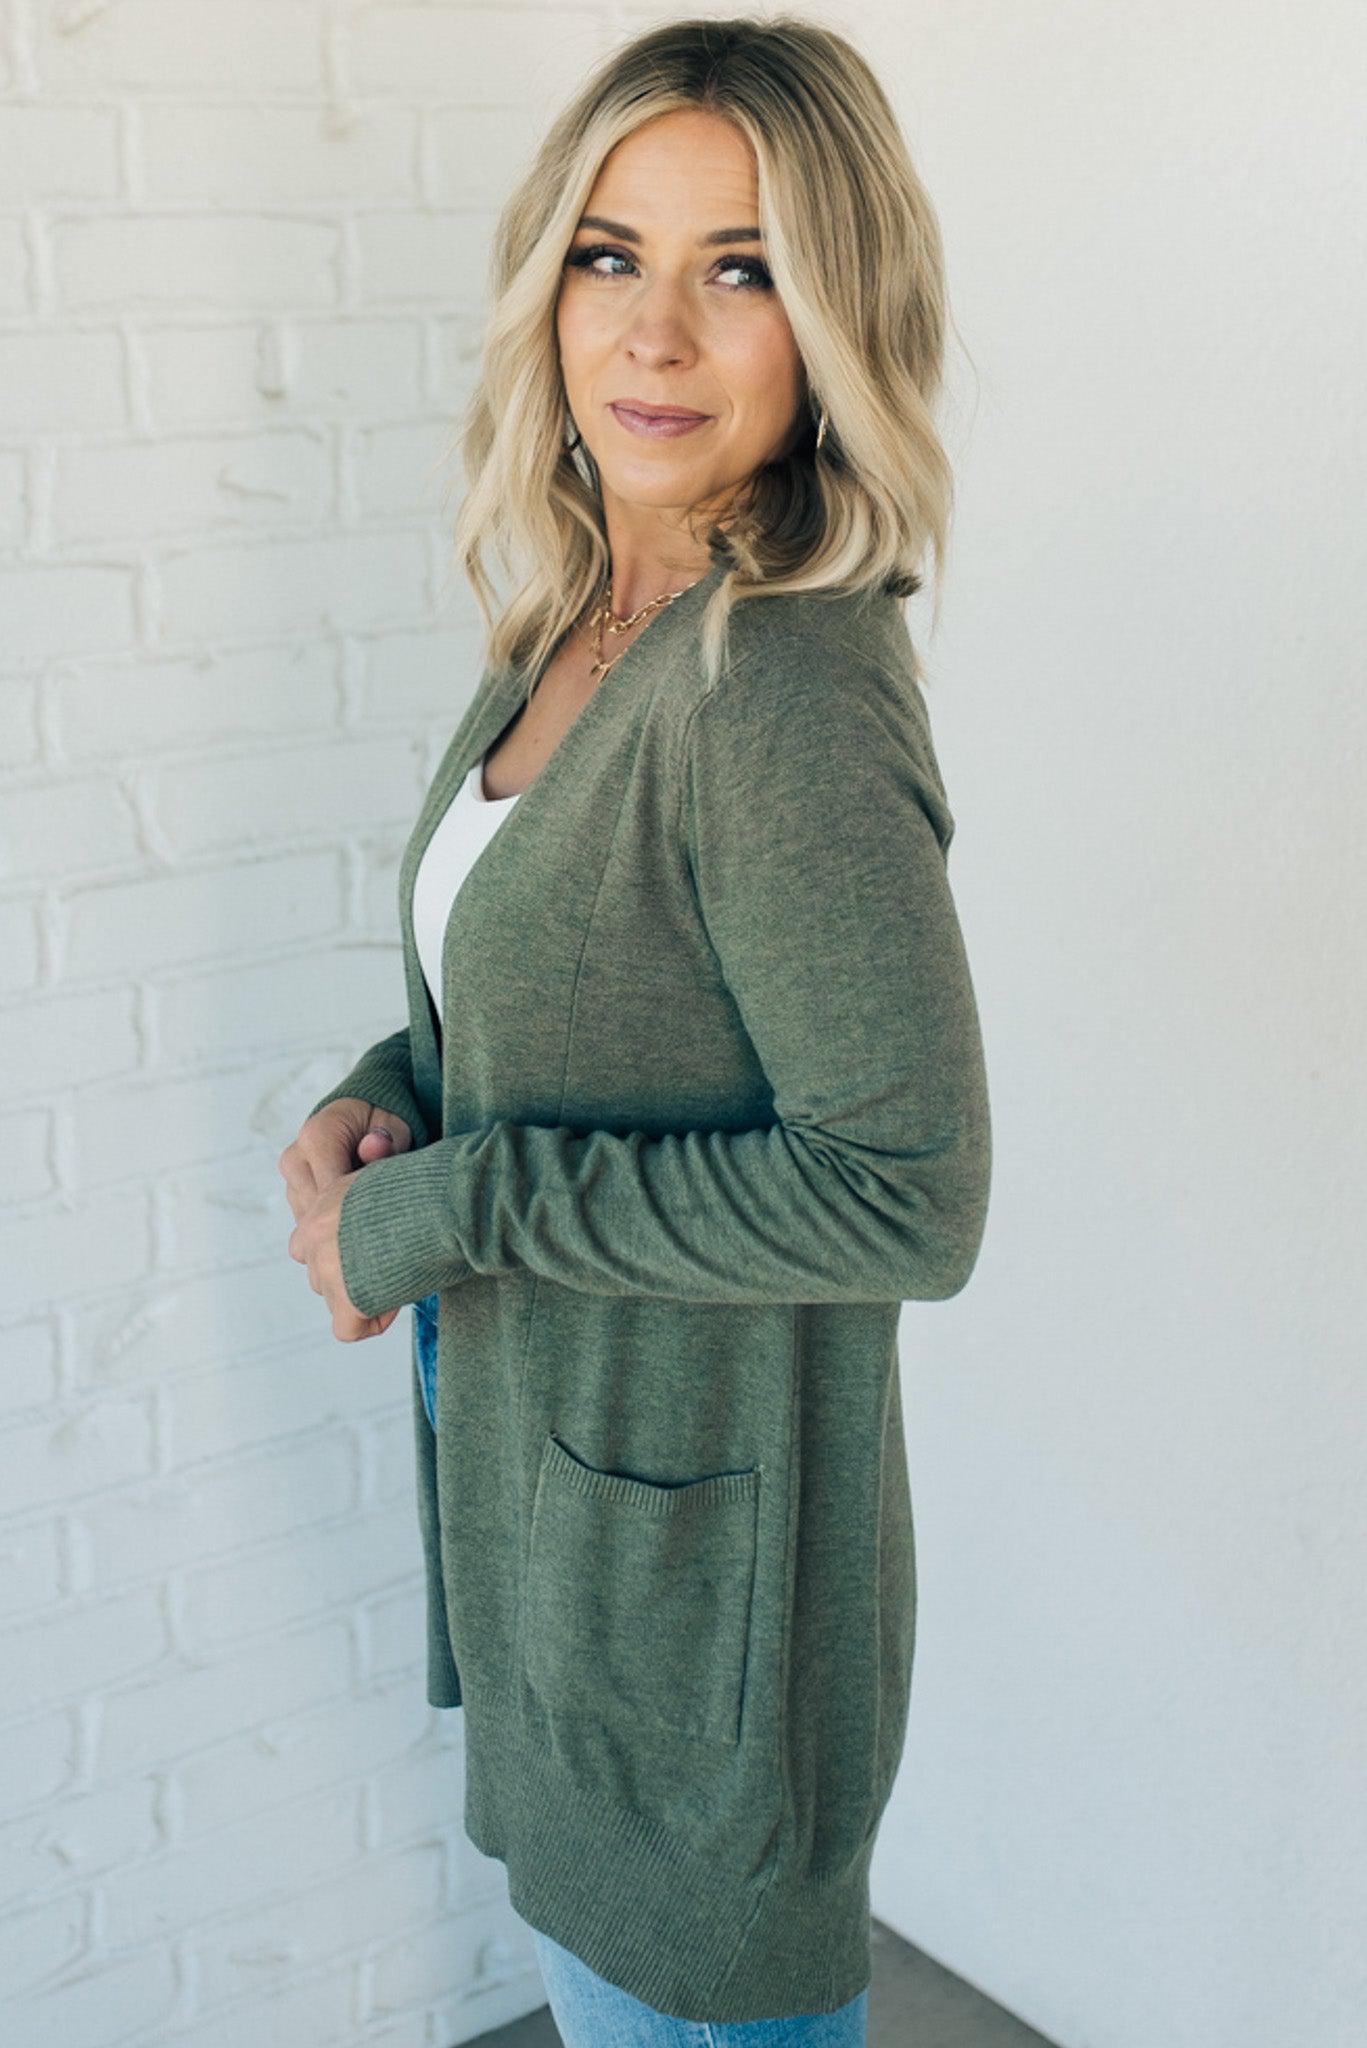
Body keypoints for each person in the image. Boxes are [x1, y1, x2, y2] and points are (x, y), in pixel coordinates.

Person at [278, 15, 992, 2042]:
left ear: (837, 317)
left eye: (740, 267)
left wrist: (454, 1206)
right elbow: (542, 985)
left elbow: (908, 1194)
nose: (653, 332)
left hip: (701, 1614)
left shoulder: (781, 682)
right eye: (611, 254)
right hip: (558, 1503)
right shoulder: (582, 609)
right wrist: (381, 1101)